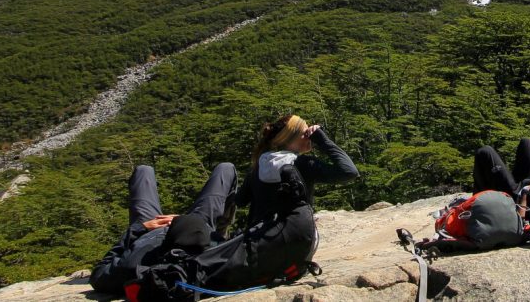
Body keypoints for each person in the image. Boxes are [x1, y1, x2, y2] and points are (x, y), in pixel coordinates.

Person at [90, 163, 237, 294]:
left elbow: (98, 274)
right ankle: (220, 228)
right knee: (226, 168)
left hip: (151, 228)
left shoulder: (132, 267)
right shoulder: (198, 266)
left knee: (143, 171)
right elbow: (229, 253)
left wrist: (139, 228)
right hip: (195, 230)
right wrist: (186, 223)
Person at [236, 114, 359, 227]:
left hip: (261, 242)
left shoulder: (259, 165)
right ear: (291, 139)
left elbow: (240, 201)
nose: (310, 137)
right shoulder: (303, 164)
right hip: (298, 240)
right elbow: (349, 171)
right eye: (307, 133)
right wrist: (322, 139)